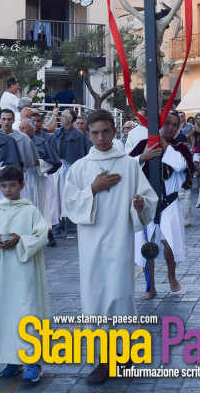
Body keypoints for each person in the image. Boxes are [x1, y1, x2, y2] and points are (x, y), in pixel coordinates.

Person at [63, 110, 157, 386]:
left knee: (118, 296)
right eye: (95, 133)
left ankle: (122, 353)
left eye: (106, 131)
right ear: (88, 134)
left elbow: (147, 198)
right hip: (91, 245)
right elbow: (69, 204)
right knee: (94, 299)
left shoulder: (128, 165)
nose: (101, 137)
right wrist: (93, 188)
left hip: (119, 240)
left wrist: (140, 205)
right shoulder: (81, 167)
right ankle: (103, 359)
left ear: (114, 132)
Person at [0, 165, 51, 383]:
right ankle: (12, 359)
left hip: (24, 274)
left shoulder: (30, 210)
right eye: (3, 186)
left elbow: (42, 234)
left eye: (13, 185)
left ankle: (33, 362)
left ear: (22, 185)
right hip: (2, 273)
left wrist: (21, 239)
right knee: (4, 312)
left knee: (27, 312)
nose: (8, 190)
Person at [131, 112, 193, 300]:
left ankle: (172, 276)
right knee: (147, 245)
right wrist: (143, 157)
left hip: (169, 202)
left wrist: (164, 146)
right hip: (147, 203)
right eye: (167, 124)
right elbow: (127, 166)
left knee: (169, 242)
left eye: (175, 125)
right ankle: (150, 287)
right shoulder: (144, 145)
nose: (171, 128)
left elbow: (182, 166)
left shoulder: (179, 148)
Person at [52, 108, 92, 227]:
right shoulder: (58, 133)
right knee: (57, 197)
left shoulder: (79, 136)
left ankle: (71, 225)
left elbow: (84, 154)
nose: (60, 118)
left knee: (70, 196)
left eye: (63, 116)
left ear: (70, 119)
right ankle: (59, 224)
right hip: (59, 168)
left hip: (72, 170)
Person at [0, 108, 39, 176]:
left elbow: (31, 161)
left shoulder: (24, 138)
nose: (6, 122)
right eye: (4, 119)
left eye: (9, 119)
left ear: (13, 120)